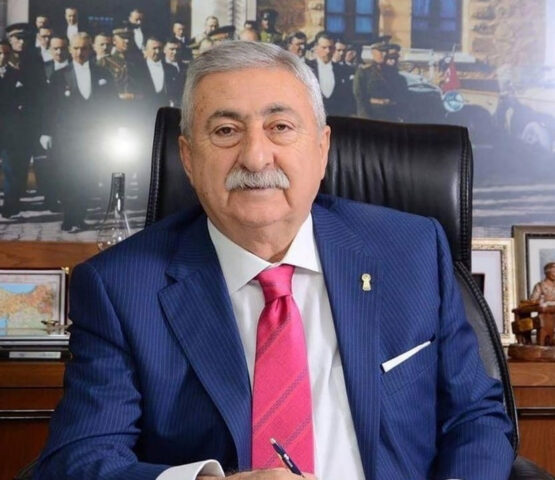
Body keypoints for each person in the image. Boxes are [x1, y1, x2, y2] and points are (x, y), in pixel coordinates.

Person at [35, 41, 514, 480]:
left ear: (322, 148)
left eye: (280, 127)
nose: (255, 157)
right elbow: (78, 460)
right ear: (188, 158)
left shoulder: (410, 250)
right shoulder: (119, 287)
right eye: (226, 131)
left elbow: (474, 416)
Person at [42, 33, 116, 232]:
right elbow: (50, 107)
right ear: (70, 49)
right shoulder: (59, 76)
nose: (79, 52)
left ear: (90, 49)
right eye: (75, 48)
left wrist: (116, 128)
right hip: (67, 136)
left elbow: (112, 105)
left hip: (94, 135)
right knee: (68, 175)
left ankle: (80, 215)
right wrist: (46, 132)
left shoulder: (103, 73)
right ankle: (69, 216)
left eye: (83, 48)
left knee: (89, 175)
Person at [306, 31, 355, 116]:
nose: (328, 51)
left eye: (331, 48)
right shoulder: (307, 68)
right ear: (316, 47)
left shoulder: (341, 70)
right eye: (324, 47)